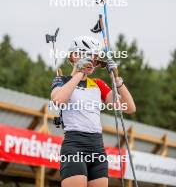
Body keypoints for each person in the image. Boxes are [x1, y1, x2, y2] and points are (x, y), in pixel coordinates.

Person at [51, 36, 136, 187]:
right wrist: (79, 73)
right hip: (74, 145)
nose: (93, 62)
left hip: (97, 146)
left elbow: (129, 108)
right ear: (74, 56)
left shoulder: (97, 84)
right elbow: (58, 101)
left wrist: (117, 80)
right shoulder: (62, 81)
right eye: (89, 57)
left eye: (95, 59)